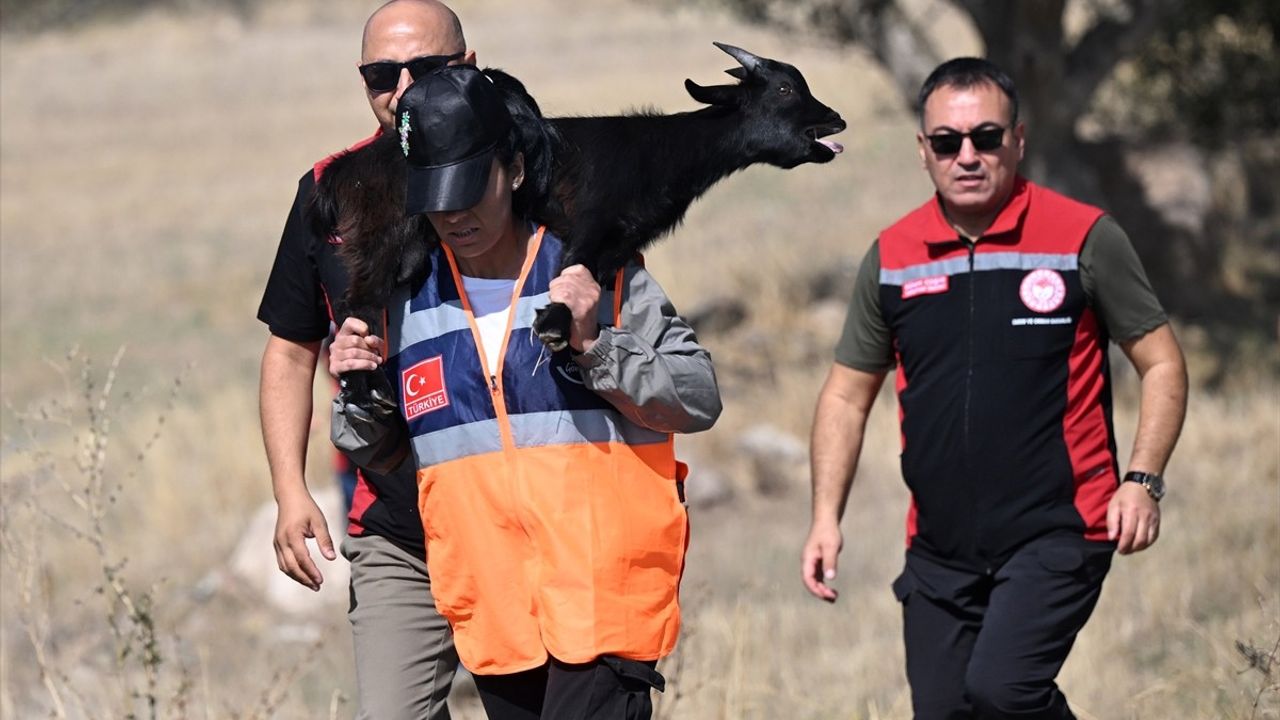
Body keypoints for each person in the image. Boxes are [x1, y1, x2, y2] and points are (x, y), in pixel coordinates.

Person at [328, 64, 722, 720]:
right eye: (436, 195)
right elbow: (389, 454)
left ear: (513, 171)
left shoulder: (595, 270)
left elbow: (698, 395)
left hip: (603, 600)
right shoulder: (404, 299)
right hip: (497, 615)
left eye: (469, 187)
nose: (454, 215)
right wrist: (359, 389)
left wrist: (598, 346)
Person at [801, 57, 1188, 719]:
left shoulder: (1083, 238)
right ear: (924, 151)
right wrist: (825, 518)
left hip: (1060, 529)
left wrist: (1142, 480)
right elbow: (844, 394)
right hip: (939, 550)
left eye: (987, 137)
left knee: (1004, 693)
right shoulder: (893, 256)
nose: (968, 156)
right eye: (948, 142)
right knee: (948, 711)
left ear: (1019, 141)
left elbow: (1163, 364)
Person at [255, 1, 474, 717]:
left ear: (469, 68)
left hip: (523, 510)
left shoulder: (530, 175)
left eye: (427, 70)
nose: (403, 88)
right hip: (396, 523)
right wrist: (291, 492)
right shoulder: (329, 190)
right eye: (383, 73)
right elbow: (290, 352)